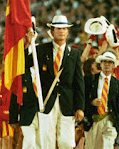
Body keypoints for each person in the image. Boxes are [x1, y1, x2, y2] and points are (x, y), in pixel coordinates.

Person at [25, 15, 85, 148]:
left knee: (67, 141)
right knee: (46, 140)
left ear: (68, 32)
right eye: (58, 29)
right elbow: (24, 63)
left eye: (64, 28)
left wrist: (80, 107)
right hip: (46, 101)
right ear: (52, 32)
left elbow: (78, 82)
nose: (61, 31)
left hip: (67, 104)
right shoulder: (40, 50)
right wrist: (28, 43)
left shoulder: (74, 53)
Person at [84, 51, 119, 148]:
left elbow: (118, 105)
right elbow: (83, 98)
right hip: (94, 119)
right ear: (101, 64)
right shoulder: (90, 79)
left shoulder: (117, 83)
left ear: (113, 65)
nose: (107, 64)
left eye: (110, 62)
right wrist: (92, 102)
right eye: (104, 62)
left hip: (109, 119)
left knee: (108, 145)